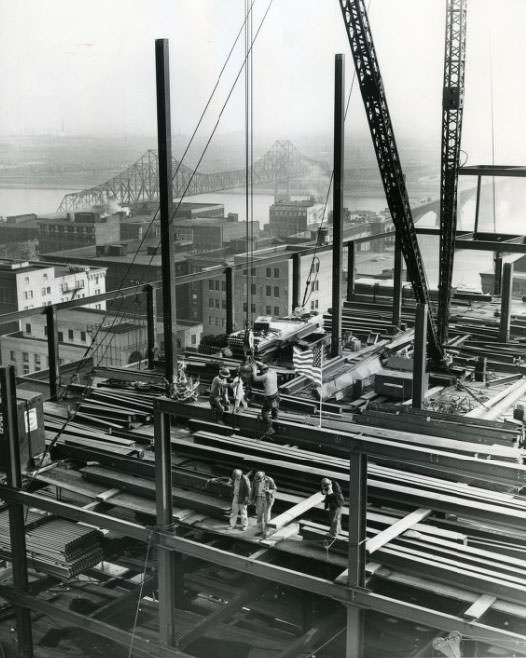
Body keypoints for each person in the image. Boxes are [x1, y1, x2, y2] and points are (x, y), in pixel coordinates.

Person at [252, 362, 279, 438]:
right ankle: (275, 417)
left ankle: (270, 428)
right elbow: (263, 365)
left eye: (261, 371)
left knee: (264, 412)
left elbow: (255, 378)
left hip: (270, 396)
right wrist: (256, 362)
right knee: (274, 407)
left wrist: (254, 369)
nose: (261, 373)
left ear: (263, 371)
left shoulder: (266, 376)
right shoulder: (273, 372)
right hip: (276, 394)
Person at [251, 470, 276, 537]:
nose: (258, 481)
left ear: (263, 477)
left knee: (266, 516)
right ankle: (259, 530)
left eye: (259, 480)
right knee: (259, 515)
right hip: (259, 498)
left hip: (267, 500)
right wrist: (251, 499)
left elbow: (274, 489)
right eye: (257, 480)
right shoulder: (255, 480)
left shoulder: (270, 480)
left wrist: (268, 491)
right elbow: (253, 489)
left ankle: (266, 531)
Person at [321, 477, 344, 541]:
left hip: (337, 503)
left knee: (334, 518)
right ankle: (337, 530)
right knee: (336, 518)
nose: (326, 487)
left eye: (326, 485)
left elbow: (335, 495)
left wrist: (330, 491)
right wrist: (324, 490)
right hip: (332, 503)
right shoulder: (327, 485)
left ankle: (334, 533)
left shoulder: (335, 485)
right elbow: (323, 492)